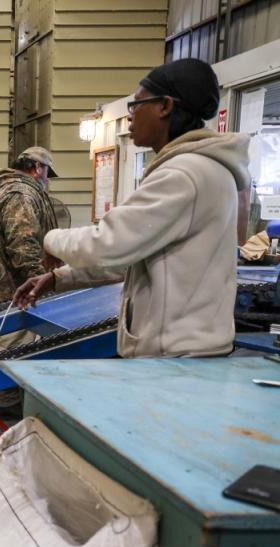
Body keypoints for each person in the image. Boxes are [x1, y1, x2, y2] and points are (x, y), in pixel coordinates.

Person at [14, 58, 250, 358]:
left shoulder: (183, 175)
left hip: (176, 359)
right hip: (182, 353)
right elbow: (131, 258)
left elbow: (107, 244)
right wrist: (59, 279)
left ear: (165, 106)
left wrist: (51, 239)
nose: (130, 117)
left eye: (136, 105)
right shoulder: (198, 170)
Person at [0, 146, 60, 420]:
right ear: (37, 168)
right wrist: (43, 281)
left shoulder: (2, 190)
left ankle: (4, 399)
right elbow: (22, 244)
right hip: (14, 289)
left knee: (5, 347)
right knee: (14, 347)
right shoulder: (21, 194)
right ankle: (6, 409)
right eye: (47, 172)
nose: (48, 180)